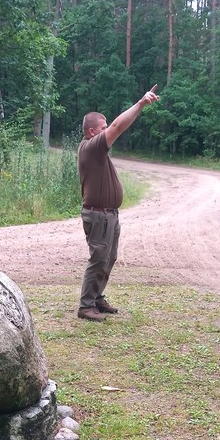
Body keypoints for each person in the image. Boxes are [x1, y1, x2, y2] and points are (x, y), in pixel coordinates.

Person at [76, 85, 160, 321]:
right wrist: (141, 103)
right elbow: (116, 126)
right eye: (102, 129)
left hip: (109, 215)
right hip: (99, 215)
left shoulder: (97, 151)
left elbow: (113, 127)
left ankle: (97, 297)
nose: (107, 132)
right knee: (98, 258)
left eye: (105, 129)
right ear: (92, 132)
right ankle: (85, 306)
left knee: (108, 257)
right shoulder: (90, 148)